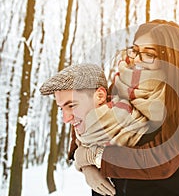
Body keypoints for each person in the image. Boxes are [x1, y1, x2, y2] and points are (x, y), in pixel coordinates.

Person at [74, 19, 179, 196]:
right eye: (136, 50)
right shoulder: (122, 81)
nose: (137, 59)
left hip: (165, 186)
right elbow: (84, 116)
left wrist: (95, 157)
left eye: (149, 53)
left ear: (169, 57)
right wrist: (86, 164)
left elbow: (162, 160)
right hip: (116, 186)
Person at [39, 62, 166, 195]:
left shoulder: (148, 138)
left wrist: (92, 156)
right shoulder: (90, 138)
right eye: (61, 109)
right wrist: (86, 164)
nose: (66, 119)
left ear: (100, 96)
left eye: (71, 106)